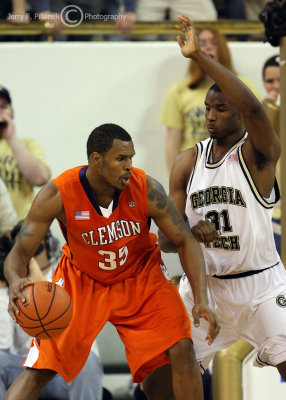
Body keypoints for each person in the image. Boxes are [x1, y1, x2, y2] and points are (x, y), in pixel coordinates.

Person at [3, 123, 220, 400]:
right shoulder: (58, 194)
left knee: (181, 349)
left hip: (140, 277)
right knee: (39, 369)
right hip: (83, 281)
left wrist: (200, 298)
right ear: (96, 159)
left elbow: (184, 240)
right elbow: (19, 252)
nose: (129, 165)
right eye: (121, 159)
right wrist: (15, 279)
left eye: (131, 158)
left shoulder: (146, 187)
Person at [159, 15, 286, 380]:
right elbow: (166, 238)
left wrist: (199, 56)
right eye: (207, 110)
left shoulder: (257, 155)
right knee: (167, 373)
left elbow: (256, 108)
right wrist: (190, 231)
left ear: (240, 115)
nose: (210, 117)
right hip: (206, 287)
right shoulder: (188, 162)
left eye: (221, 109)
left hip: (259, 286)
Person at [0, 226, 103, 400]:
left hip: (63, 372)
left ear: (49, 246)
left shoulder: (67, 273)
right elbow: (4, 345)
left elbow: (69, 330)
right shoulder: (11, 286)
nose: (28, 255)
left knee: (88, 361)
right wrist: (5, 288)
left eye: (35, 247)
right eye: (22, 249)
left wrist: (36, 277)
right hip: (24, 370)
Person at [160, 26, 259, 173]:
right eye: (202, 43)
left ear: (222, 50)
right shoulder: (180, 91)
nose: (208, 47)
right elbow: (172, 141)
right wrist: (175, 178)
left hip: (236, 168)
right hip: (196, 170)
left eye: (213, 43)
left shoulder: (243, 87)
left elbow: (258, 129)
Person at [0, 86, 51, 219]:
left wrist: (11, 138)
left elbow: (40, 179)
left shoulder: (28, 144)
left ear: (11, 112)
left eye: (3, 107)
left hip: (23, 229)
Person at [262, 55, 280, 254]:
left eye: (281, 80)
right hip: (271, 210)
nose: (276, 86)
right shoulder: (257, 112)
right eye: (270, 81)